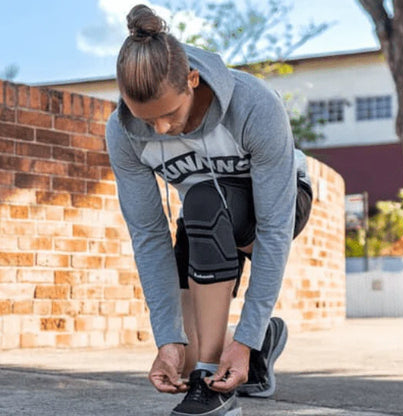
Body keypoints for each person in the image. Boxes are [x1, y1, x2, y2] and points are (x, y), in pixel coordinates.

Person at [105, 5, 312, 416]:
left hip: (280, 203)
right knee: (185, 353)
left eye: (169, 114)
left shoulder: (252, 104)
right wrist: (166, 340)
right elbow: (148, 236)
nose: (160, 129)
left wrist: (243, 338)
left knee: (201, 200)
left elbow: (273, 225)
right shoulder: (124, 132)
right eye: (147, 120)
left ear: (193, 81)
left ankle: (216, 383)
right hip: (205, 221)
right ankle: (257, 354)